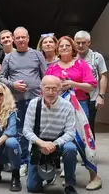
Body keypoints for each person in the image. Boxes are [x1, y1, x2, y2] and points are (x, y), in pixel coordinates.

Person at [45, 36, 101, 190]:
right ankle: (70, 175)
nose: (64, 48)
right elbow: (45, 86)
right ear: (58, 49)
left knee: (84, 140)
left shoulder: (81, 64)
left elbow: (91, 86)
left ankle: (95, 177)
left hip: (79, 106)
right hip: (58, 108)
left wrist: (72, 83)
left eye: (67, 46)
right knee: (65, 143)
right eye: (61, 46)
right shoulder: (52, 67)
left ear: (73, 48)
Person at [0, 26, 47, 176]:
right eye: (17, 37)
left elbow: (45, 76)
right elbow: (1, 78)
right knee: (20, 132)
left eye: (23, 37)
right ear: (13, 39)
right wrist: (13, 85)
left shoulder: (37, 55)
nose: (20, 40)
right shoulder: (9, 57)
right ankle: (24, 162)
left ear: (28, 38)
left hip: (36, 101)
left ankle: (41, 162)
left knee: (38, 131)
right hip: (16, 101)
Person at [23, 75, 78, 194]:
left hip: (58, 143)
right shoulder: (33, 104)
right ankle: (46, 175)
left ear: (59, 89)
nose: (50, 92)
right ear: (41, 89)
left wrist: (54, 144)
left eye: (54, 88)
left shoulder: (67, 106)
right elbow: (26, 130)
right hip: (38, 144)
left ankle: (69, 183)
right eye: (47, 88)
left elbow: (70, 132)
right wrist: (42, 144)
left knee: (71, 148)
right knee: (32, 188)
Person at [74, 30, 107, 138]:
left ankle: (90, 152)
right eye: (78, 42)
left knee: (88, 125)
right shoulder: (71, 56)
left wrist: (101, 96)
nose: (80, 45)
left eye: (83, 42)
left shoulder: (97, 57)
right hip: (75, 97)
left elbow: (103, 77)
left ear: (89, 43)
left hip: (92, 98)